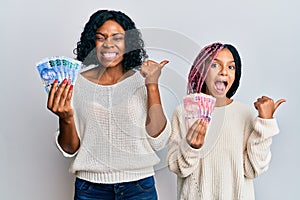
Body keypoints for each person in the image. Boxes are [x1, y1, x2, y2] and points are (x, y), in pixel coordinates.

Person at [47, 10, 171, 200]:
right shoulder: (76, 84)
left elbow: (159, 141)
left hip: (139, 188)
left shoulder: (142, 80)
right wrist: (66, 118)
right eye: (100, 37)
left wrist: (152, 85)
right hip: (90, 190)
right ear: (92, 43)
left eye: (117, 37)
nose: (108, 44)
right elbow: (70, 149)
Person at [167, 42, 286, 200]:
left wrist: (265, 122)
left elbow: (253, 169)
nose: (224, 72)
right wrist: (191, 147)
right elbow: (177, 167)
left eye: (231, 67)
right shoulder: (183, 112)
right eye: (215, 65)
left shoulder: (245, 114)